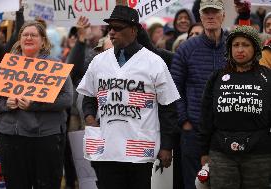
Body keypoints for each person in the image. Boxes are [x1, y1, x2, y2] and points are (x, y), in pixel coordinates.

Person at [76, 5, 180, 189]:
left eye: (117, 28)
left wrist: (166, 146)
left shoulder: (154, 62)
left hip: (139, 150)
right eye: (110, 28)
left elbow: (168, 107)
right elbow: (89, 97)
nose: (112, 32)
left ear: (133, 30)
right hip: (106, 148)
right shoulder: (99, 61)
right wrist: (90, 117)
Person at [0, 21, 73, 189]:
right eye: (25, 35)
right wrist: (6, 104)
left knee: (47, 184)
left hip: (46, 138)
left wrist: (34, 105)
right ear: (19, 39)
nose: (28, 38)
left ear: (43, 41)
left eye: (33, 35)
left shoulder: (56, 65)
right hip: (12, 138)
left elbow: (67, 99)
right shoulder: (7, 65)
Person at [199, 25, 271, 189]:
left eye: (245, 45)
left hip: (259, 153)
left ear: (255, 48)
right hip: (221, 153)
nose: (240, 49)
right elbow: (206, 117)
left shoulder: (267, 77)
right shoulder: (217, 77)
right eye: (235, 45)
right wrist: (203, 152)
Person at [170, 1, 226, 188]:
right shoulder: (187, 49)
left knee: (225, 181)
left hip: (227, 130)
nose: (211, 16)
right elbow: (173, 87)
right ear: (200, 17)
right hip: (194, 130)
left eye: (215, 12)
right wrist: (184, 121)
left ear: (223, 16)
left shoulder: (235, 46)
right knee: (194, 183)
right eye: (206, 12)